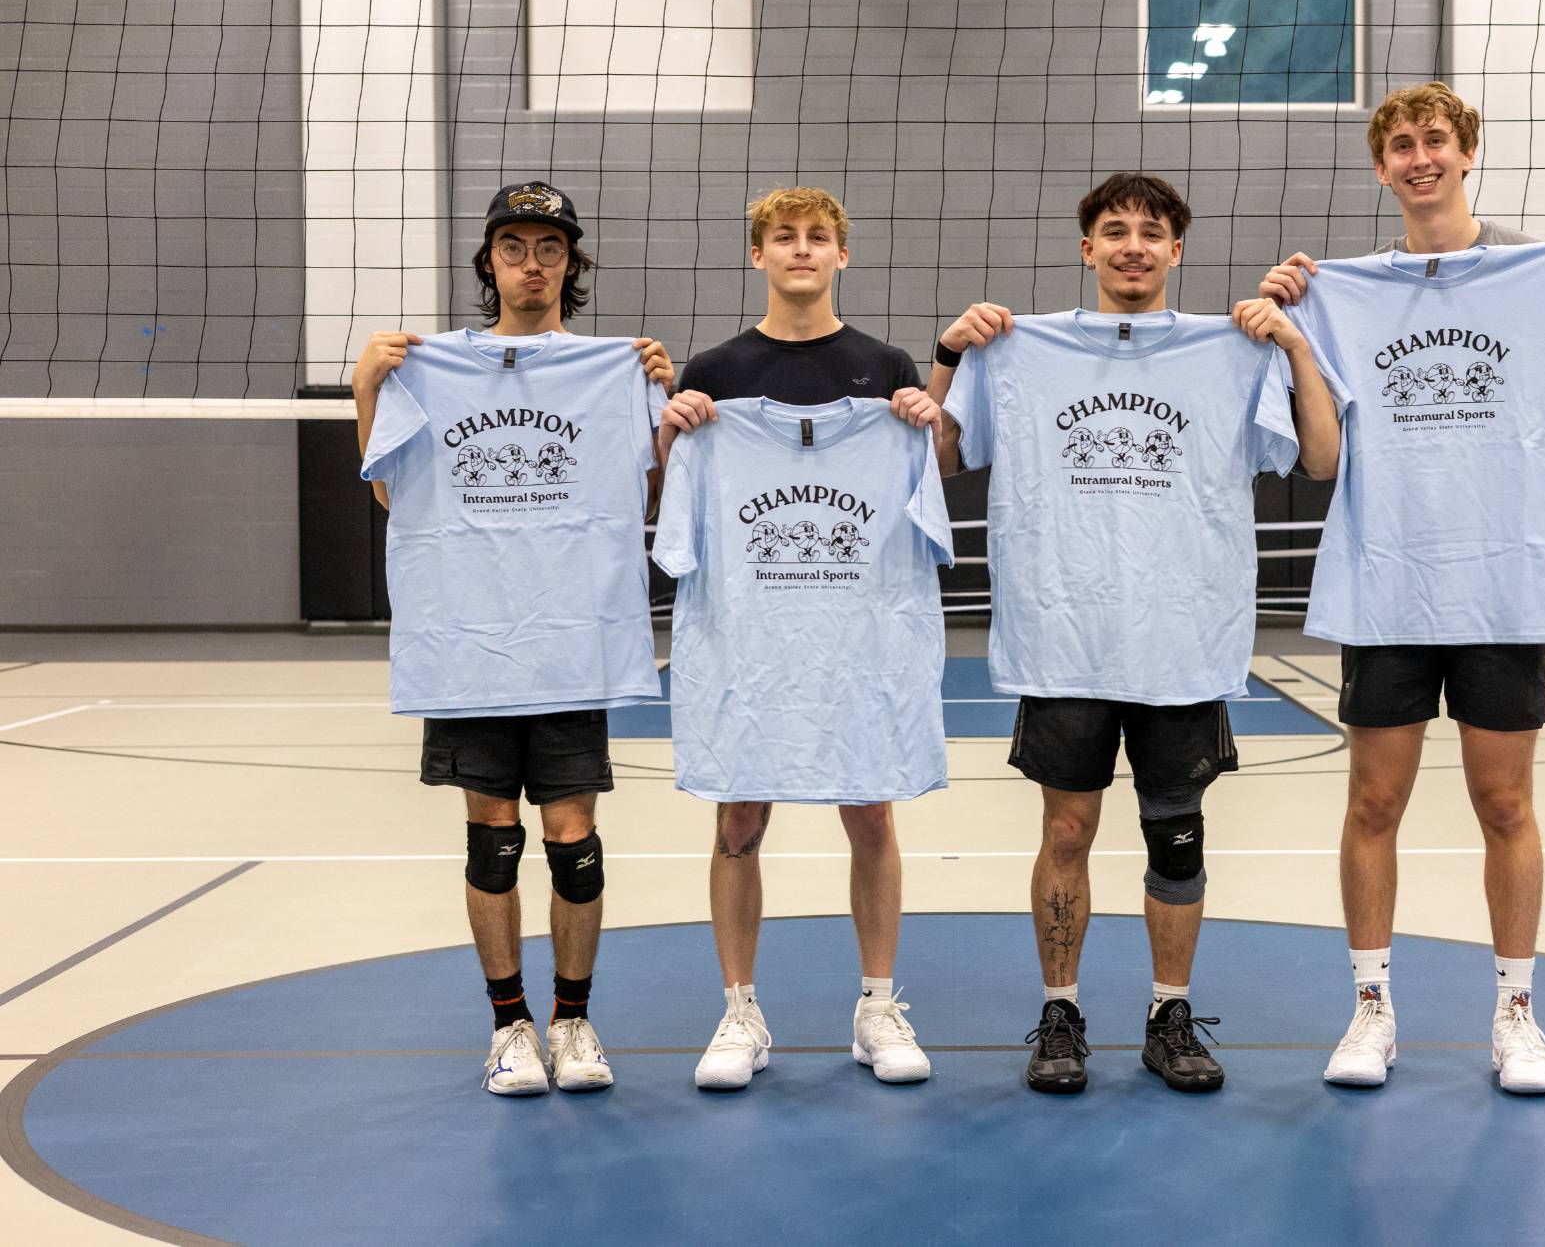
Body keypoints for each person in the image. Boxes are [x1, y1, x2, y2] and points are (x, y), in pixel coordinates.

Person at [1258, 81, 1545, 1094]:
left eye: (1433, 138)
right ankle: (1368, 1011)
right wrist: (1297, 336)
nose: (1417, 155)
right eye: (1398, 143)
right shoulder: (1340, 291)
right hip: (1390, 582)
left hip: (1502, 584)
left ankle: (1516, 1015)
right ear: (1379, 166)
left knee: (1503, 802)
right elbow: (1317, 456)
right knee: (1373, 800)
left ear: (1465, 151)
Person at [933, 173, 1340, 1093]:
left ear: (1176, 252)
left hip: (1183, 636)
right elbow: (938, 458)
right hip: (1065, 635)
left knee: (1178, 836)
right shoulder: (1018, 351)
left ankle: (1169, 1012)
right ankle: (1062, 1011)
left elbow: (1319, 460)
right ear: (1087, 250)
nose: (1132, 246)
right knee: (1067, 827)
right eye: (1113, 231)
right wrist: (950, 355)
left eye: (1151, 232)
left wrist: (1297, 351)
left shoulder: (1230, 351)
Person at [351, 181, 674, 1096]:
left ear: (570, 264)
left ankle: (574, 1020)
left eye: (549, 248)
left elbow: (644, 499)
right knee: (491, 841)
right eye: (514, 247)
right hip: (472, 645)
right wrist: (366, 388)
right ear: (488, 262)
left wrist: (659, 396)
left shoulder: (609, 367)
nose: (531, 264)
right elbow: (390, 492)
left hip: (570, 644)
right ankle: (509, 1026)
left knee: (574, 841)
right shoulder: (429, 365)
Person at [656, 187, 946, 1089]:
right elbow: (678, 513)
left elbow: (925, 495)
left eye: (819, 237)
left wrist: (926, 424)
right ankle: (740, 1009)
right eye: (784, 237)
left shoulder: (884, 364)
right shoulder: (713, 370)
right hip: (750, 642)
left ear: (842, 256)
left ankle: (877, 1003)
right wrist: (673, 432)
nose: (802, 250)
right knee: (739, 817)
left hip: (858, 642)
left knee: (871, 809)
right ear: (758, 257)